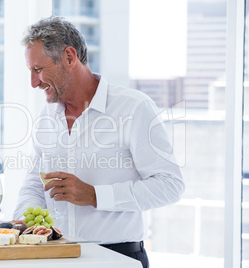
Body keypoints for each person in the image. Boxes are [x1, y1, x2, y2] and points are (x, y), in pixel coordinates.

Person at [13, 16, 185, 268]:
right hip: (54, 256)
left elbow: (170, 185)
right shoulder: (46, 117)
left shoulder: (133, 108)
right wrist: (25, 218)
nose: (33, 82)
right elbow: (34, 183)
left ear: (69, 57)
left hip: (118, 258)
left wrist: (95, 195)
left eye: (38, 70)